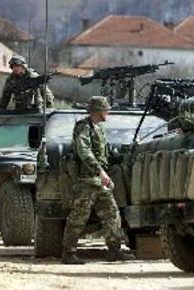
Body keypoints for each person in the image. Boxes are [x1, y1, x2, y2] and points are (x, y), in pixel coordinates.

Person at [62, 96, 134, 264]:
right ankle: (69, 253)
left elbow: (104, 153)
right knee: (79, 216)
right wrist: (100, 171)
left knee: (112, 212)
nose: (107, 112)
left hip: (98, 179)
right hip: (85, 179)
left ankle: (114, 250)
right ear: (98, 111)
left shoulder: (99, 128)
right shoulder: (83, 127)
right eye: (105, 110)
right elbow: (84, 151)